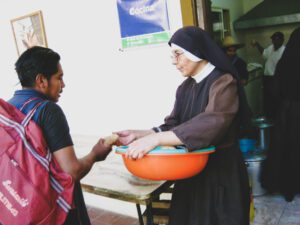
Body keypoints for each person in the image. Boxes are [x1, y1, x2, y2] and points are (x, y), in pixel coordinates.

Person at [116, 26, 251, 225]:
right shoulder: (185, 87)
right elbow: (173, 124)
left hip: (221, 174)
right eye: (173, 55)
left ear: (196, 52)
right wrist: (141, 135)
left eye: (178, 54)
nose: (174, 61)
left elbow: (213, 121)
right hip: (190, 172)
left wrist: (157, 139)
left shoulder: (223, 82)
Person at [8, 46, 113, 225]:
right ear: (41, 80)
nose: (63, 85)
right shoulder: (48, 110)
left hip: (22, 206)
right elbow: (72, 171)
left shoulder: (9, 109)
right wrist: (96, 154)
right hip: (55, 210)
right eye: (59, 77)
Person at [261, 27, 300, 202]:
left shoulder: (285, 60)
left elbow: (275, 89)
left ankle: (288, 188)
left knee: (286, 148)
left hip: (287, 111)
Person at [251, 31, 285, 120]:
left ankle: (277, 121)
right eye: (273, 40)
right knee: (267, 102)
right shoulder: (271, 48)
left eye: (277, 39)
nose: (274, 42)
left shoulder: (284, 51)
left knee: (277, 102)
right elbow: (264, 53)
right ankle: (269, 119)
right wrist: (257, 44)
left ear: (282, 40)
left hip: (277, 79)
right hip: (267, 79)